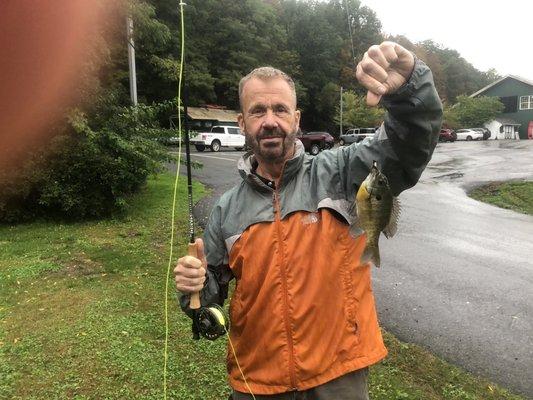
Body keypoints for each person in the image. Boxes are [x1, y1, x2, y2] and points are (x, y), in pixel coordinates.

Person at [175, 41, 443, 399]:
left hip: (339, 375)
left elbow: (406, 148)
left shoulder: (342, 171)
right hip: (256, 379)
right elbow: (210, 295)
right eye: (258, 111)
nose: (270, 121)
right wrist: (194, 286)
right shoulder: (226, 209)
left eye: (280, 109)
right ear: (242, 122)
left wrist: (409, 89)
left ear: (296, 119)